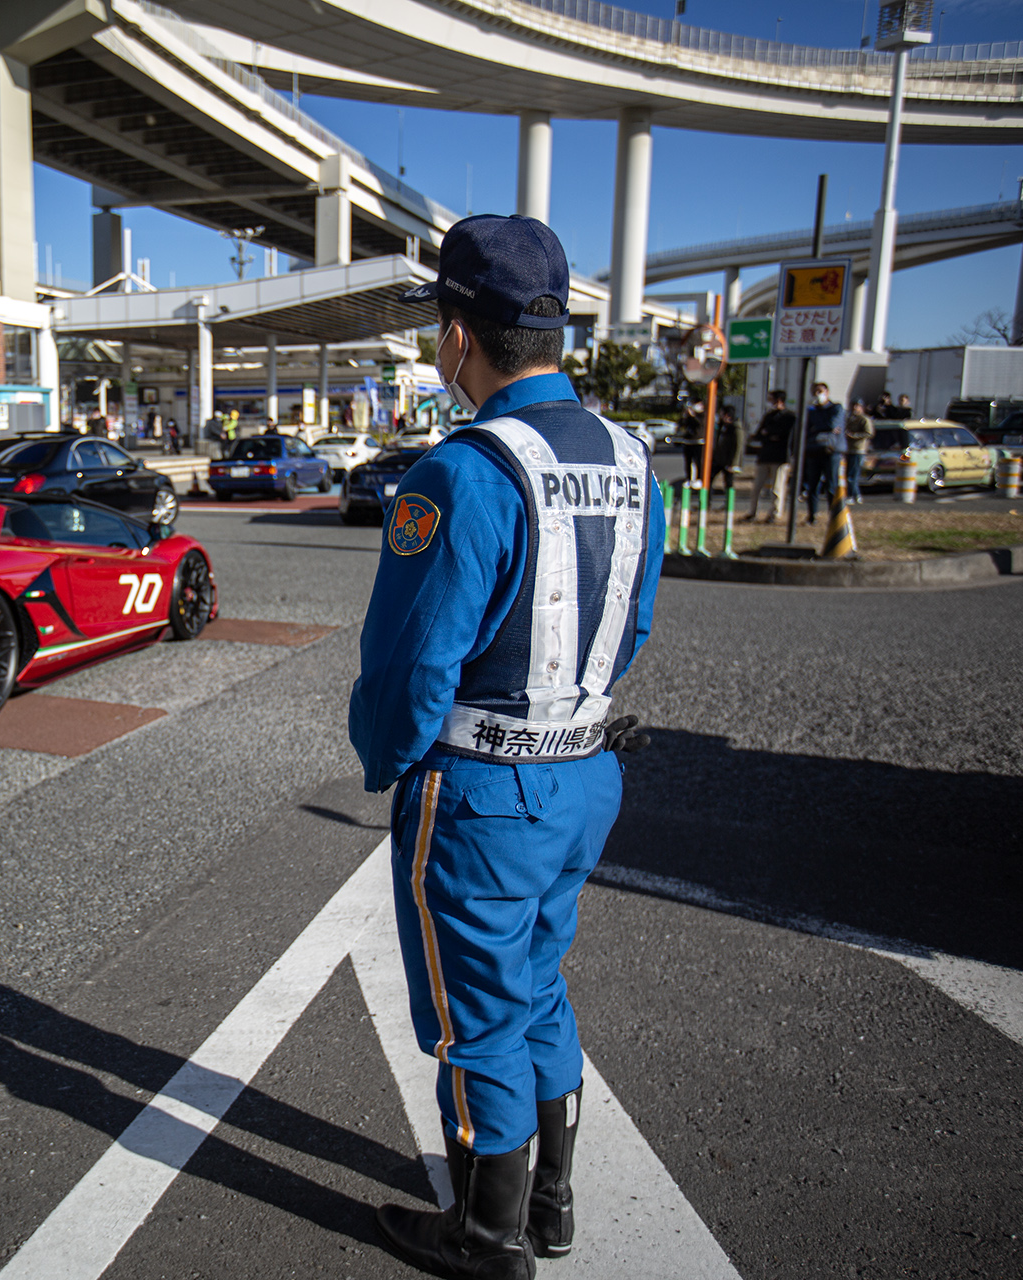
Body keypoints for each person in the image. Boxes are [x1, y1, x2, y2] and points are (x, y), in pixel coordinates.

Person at [352, 214, 665, 1279]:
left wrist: (386, 755)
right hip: (585, 770)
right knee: (538, 981)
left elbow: (411, 665)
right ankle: (555, 1202)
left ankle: (487, 1236)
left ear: (456, 338)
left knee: (475, 1016)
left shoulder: (464, 470)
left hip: (484, 788)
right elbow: (636, 622)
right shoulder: (635, 462)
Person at [743, 390, 794, 522]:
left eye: (772, 399)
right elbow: (760, 433)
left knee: (777, 488)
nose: (771, 402)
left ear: (780, 400)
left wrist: (770, 433)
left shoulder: (789, 416)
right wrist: (768, 435)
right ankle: (752, 512)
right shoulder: (769, 415)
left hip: (780, 457)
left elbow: (786, 435)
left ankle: (775, 513)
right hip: (765, 455)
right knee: (757, 487)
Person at [799, 381, 843, 525]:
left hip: (831, 451)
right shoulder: (811, 410)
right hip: (813, 450)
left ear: (827, 392)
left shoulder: (836, 408)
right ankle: (812, 516)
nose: (818, 395)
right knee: (813, 485)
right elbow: (806, 427)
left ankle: (833, 515)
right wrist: (822, 427)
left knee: (831, 485)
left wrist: (818, 428)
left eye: (820, 391)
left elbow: (832, 424)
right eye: (815, 392)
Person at [843, 398, 874, 503]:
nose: (854, 408)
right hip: (849, 449)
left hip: (858, 450)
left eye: (857, 406)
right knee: (849, 474)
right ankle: (857, 495)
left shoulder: (864, 419)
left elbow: (869, 433)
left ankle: (851, 495)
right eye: (853, 405)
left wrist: (854, 436)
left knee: (852, 475)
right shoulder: (850, 419)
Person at [708, 404, 742, 493]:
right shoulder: (721, 426)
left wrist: (734, 463)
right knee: (709, 477)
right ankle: (707, 502)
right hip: (719, 459)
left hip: (729, 460)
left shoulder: (736, 428)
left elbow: (738, 446)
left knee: (728, 482)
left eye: (722, 413)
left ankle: (728, 505)